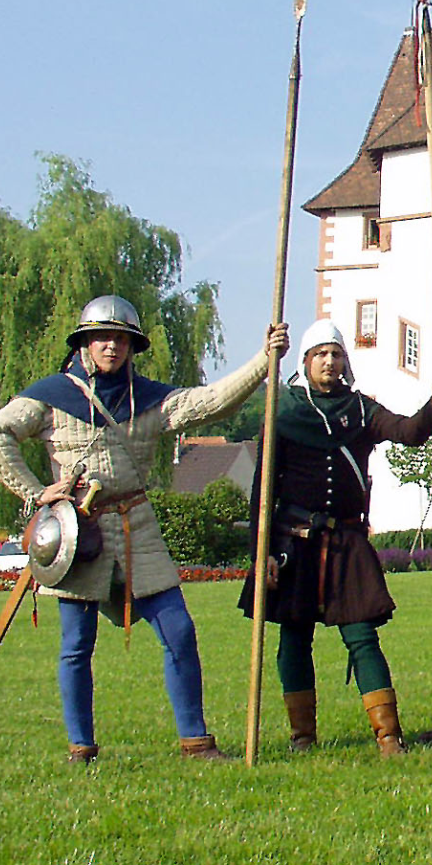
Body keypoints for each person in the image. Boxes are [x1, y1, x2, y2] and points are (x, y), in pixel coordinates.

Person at [0, 295, 287, 762]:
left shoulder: (149, 398)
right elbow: (2, 432)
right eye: (101, 338)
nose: (110, 346)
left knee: (178, 631)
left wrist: (263, 359)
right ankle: (81, 747)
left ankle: (195, 741)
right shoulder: (51, 395)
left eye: (119, 338)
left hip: (137, 525)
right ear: (86, 343)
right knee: (76, 644)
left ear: (132, 345)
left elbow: (209, 403)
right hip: (77, 532)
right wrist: (37, 493)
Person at [239, 319, 432, 756]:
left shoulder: (361, 410)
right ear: (305, 361)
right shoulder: (282, 411)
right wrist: (260, 552)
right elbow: (263, 489)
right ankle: (302, 736)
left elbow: (410, 434)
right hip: (293, 542)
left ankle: (388, 736)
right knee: (294, 637)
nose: (330, 362)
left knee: (361, 636)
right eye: (321, 354)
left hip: (346, 542)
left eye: (336, 354)